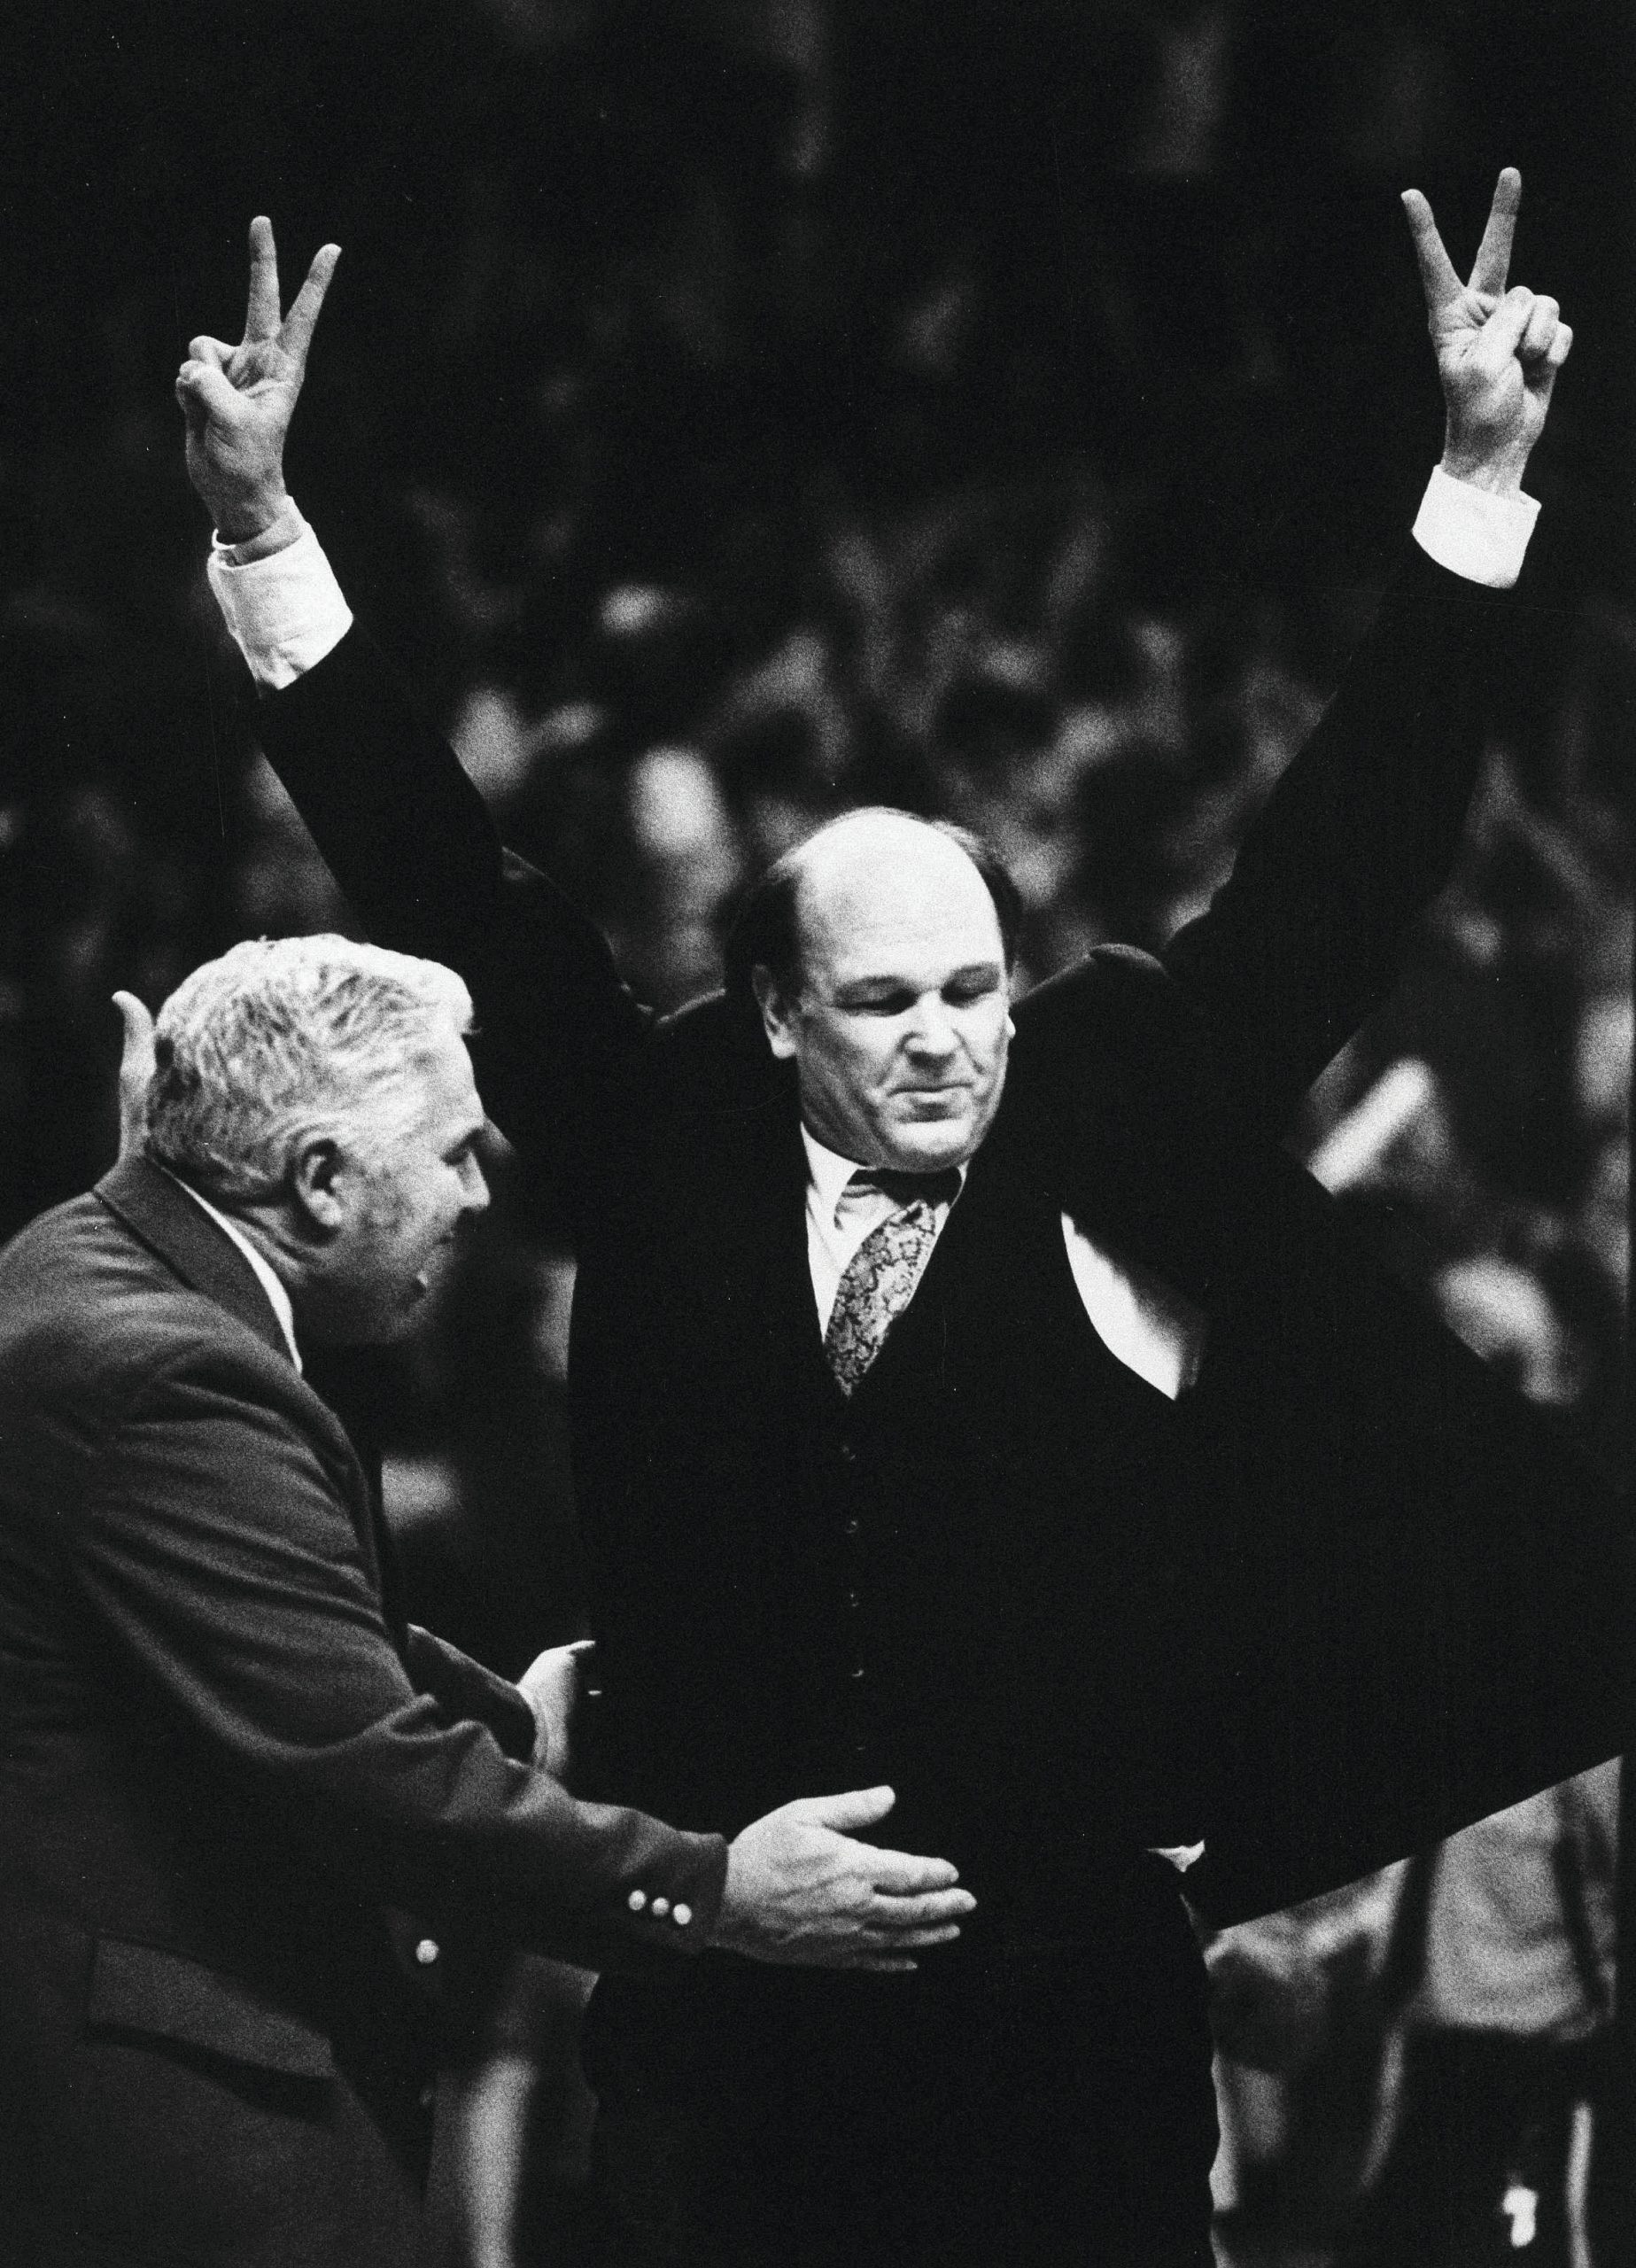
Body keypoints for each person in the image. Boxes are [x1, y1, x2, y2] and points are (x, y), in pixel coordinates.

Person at [171, 176, 1629, 2266]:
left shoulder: (1117, 1091)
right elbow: (444, 876)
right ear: (780, 1012)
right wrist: (260, 530)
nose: (947, 1038)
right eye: (884, 1002)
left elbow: (1351, 858)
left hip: (1073, 2052)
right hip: (733, 2035)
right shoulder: (668, 1125)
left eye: (973, 988)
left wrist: (1479, 477)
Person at [0, 933, 973, 2268]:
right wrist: (716, 1890)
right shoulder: (169, 1375)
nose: (477, 1194)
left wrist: (510, 1721)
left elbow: (279, 1613)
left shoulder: (92, 1264)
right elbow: (369, 1774)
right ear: (320, 1180)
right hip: (163, 2138)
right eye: (455, 1152)